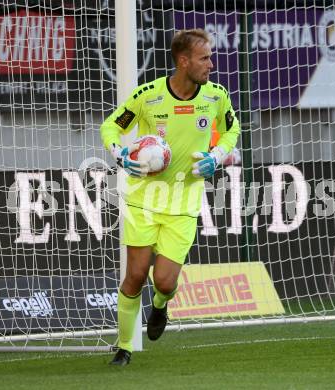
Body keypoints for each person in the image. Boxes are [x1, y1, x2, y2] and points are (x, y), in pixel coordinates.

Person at [100, 28, 240, 366]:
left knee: (164, 281)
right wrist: (122, 156)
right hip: (144, 199)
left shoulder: (216, 96)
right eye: (205, 57)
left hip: (184, 201)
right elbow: (110, 127)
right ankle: (124, 348)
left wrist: (216, 156)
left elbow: (232, 129)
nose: (211, 64)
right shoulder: (148, 96)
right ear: (184, 60)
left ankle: (160, 306)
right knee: (134, 276)